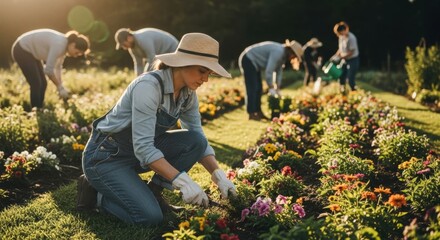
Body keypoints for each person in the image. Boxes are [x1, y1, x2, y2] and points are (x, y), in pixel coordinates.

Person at [77, 32, 237, 226]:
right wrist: (183, 182)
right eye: (202, 71)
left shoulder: (187, 94)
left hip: (136, 152)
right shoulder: (148, 87)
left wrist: (218, 175)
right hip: (106, 157)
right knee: (149, 217)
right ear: (182, 63)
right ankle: (95, 194)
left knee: (195, 140)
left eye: (209, 74)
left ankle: (154, 192)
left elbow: (197, 135)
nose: (206, 79)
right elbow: (144, 148)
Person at [11, 29, 90, 108]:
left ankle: (39, 108)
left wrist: (60, 87)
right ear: (73, 44)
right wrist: (59, 87)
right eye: (77, 52)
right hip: (21, 49)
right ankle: (36, 111)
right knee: (36, 83)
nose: (76, 56)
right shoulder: (60, 45)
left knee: (43, 83)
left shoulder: (64, 47)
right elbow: (48, 70)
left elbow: (57, 68)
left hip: (32, 54)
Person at [238, 40, 304, 121]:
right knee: (253, 87)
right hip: (248, 59)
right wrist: (271, 87)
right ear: (290, 50)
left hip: (254, 63)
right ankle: (251, 113)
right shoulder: (278, 52)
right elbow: (269, 71)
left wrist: (278, 87)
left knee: (259, 88)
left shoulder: (283, 56)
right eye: (294, 55)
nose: (292, 58)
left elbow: (278, 72)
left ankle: (258, 112)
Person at [114, 28, 179, 76]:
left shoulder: (142, 39)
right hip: (161, 55)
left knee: (171, 75)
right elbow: (138, 64)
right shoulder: (132, 48)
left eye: (124, 45)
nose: (125, 48)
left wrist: (144, 77)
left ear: (129, 38)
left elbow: (152, 59)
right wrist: (138, 80)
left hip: (172, 49)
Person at [331, 21, 360, 92]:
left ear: (344, 30)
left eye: (340, 33)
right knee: (341, 75)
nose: (339, 35)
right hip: (344, 60)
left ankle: (354, 92)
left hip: (353, 59)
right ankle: (342, 91)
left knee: (350, 78)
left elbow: (351, 52)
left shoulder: (351, 38)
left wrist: (342, 57)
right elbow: (340, 49)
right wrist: (335, 56)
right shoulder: (341, 37)